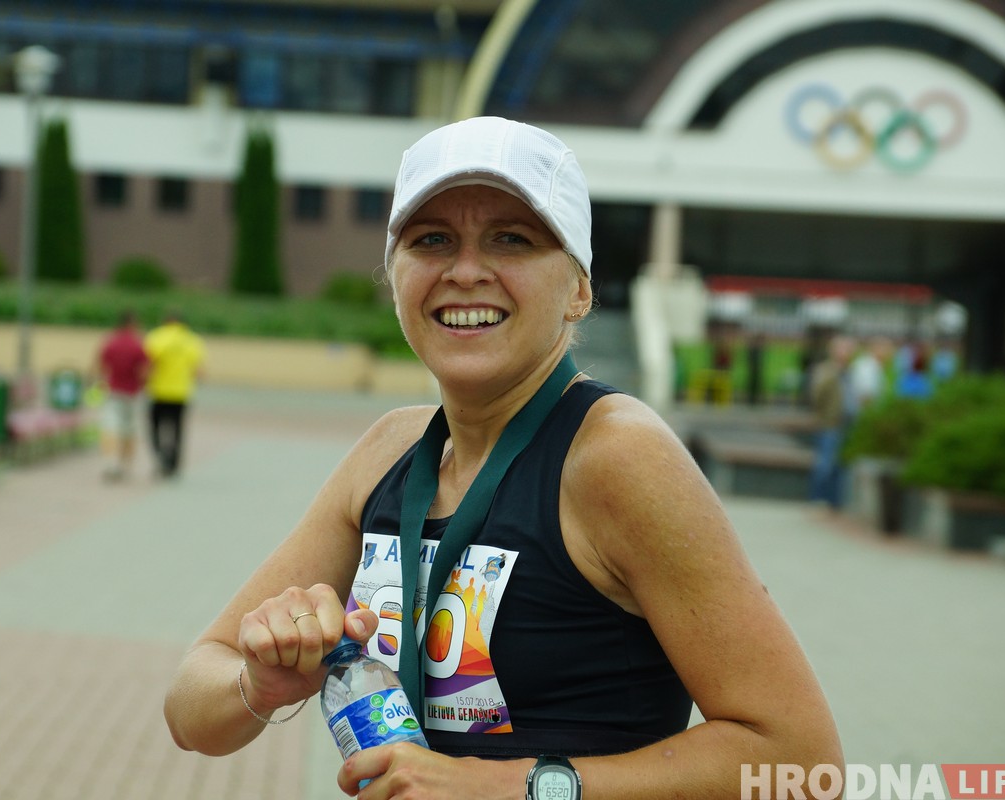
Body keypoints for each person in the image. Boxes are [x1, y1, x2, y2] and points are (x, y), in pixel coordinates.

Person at [163, 117, 842, 798]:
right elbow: (192, 707)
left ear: (579, 289)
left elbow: (802, 764)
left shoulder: (616, 455)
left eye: (511, 239)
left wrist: (510, 785)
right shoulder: (388, 451)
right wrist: (259, 683)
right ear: (394, 276)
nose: (465, 271)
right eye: (432, 240)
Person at [144, 311, 204, 478]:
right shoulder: (192, 340)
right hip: (181, 392)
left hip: (159, 391)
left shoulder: (156, 337)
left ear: (165, 322)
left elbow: (149, 364)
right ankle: (174, 463)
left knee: (155, 427)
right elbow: (198, 371)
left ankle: (160, 456)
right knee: (177, 429)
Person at [96, 310, 149, 482]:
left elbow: (101, 366)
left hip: (113, 392)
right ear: (132, 324)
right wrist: (144, 385)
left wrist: (100, 385)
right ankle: (125, 465)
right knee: (129, 430)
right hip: (132, 393)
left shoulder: (110, 342)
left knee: (110, 428)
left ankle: (110, 464)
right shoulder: (138, 344)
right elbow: (144, 372)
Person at [808, 334, 856, 511]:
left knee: (839, 466)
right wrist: (834, 374)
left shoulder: (850, 371)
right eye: (843, 348)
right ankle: (818, 499)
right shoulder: (826, 370)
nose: (847, 352)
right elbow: (817, 394)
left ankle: (835, 502)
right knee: (825, 464)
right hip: (829, 423)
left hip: (847, 424)